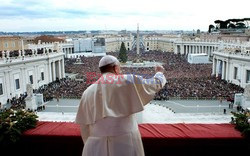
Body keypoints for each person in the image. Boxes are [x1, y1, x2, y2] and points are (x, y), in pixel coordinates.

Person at [75, 55, 166, 156]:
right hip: (127, 143)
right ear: (116, 68)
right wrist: (159, 73)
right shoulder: (128, 80)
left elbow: (84, 127)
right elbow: (154, 84)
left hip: (96, 146)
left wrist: (91, 145)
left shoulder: (87, 92)